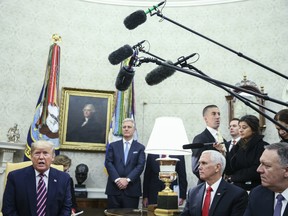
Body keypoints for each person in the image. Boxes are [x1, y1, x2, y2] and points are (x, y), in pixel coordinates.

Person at [2, 140, 72, 216]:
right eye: (37, 153)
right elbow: (8, 209)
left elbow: (66, 209)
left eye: (45, 153)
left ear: (53, 157)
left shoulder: (64, 178)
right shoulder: (15, 177)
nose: (41, 157)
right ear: (31, 157)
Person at [181, 150, 248, 216]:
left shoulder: (237, 194)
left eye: (204, 163)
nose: (199, 167)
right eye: (199, 163)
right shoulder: (193, 192)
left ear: (217, 167)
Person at [105, 118, 145, 209]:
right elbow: (108, 163)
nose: (126, 129)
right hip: (114, 189)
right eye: (124, 127)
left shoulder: (140, 148)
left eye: (129, 127)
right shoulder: (113, 146)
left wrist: (127, 180)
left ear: (134, 130)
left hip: (132, 190)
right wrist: (117, 179)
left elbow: (140, 166)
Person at [225, 115, 269, 191]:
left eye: (244, 127)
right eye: (240, 127)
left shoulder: (262, 146)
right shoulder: (237, 146)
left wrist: (234, 177)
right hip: (236, 187)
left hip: (255, 188)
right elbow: (229, 168)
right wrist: (223, 153)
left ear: (253, 129)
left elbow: (257, 170)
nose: (241, 130)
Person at [244, 142, 288, 215]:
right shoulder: (257, 194)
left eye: (267, 165)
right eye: (260, 163)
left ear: (286, 171)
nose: (259, 170)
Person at [191, 105, 226, 183]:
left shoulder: (224, 140)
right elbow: (196, 167)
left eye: (219, 114)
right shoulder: (200, 139)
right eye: (213, 114)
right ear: (205, 118)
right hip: (207, 185)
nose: (217, 117)